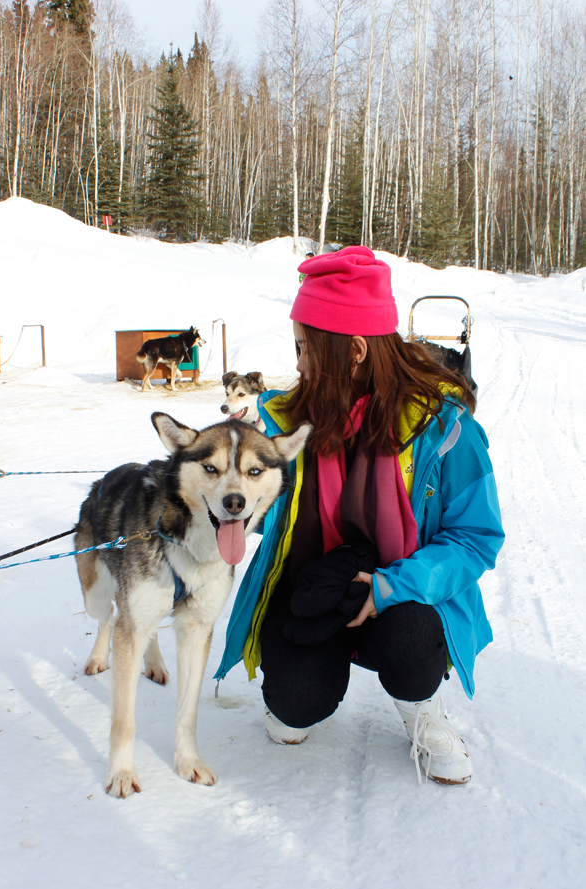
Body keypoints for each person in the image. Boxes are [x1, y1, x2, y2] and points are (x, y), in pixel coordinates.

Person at [216, 246, 504, 785]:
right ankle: (303, 684)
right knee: (292, 714)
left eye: (305, 348)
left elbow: (475, 537)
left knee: (412, 638)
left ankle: (423, 710)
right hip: (312, 589)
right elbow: (252, 505)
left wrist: (389, 587)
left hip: (397, 593)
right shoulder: (288, 424)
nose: (298, 363)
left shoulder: (445, 430)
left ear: (351, 350)